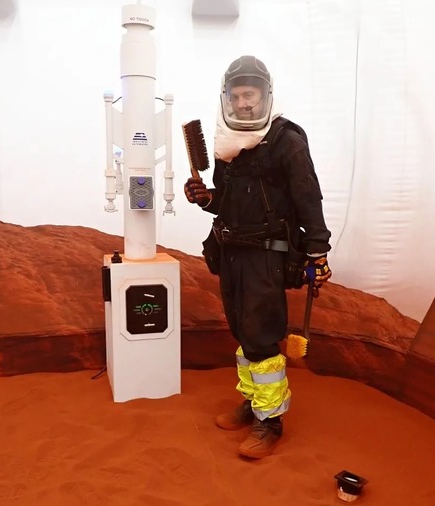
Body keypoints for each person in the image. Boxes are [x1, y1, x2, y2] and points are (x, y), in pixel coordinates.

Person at [184, 55, 333, 459]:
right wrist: (207, 199)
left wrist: (318, 252)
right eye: (236, 95)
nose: (244, 103)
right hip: (231, 253)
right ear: (226, 99)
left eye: (250, 94)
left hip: (268, 256)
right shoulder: (224, 143)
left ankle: (270, 421)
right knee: (241, 330)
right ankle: (254, 403)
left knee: (262, 335)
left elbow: (308, 196)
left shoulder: (287, 140)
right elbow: (230, 203)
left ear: (265, 95)